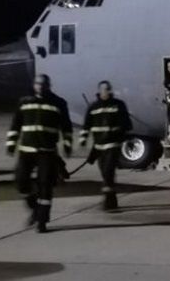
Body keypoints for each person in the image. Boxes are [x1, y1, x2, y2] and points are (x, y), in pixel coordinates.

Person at [7, 74, 72, 232]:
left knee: (45, 185)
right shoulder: (24, 102)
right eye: (37, 84)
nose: (40, 87)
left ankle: (42, 220)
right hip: (26, 150)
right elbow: (16, 124)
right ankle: (34, 208)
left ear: (49, 85)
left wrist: (67, 144)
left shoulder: (59, 103)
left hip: (47, 151)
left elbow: (66, 127)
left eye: (43, 84)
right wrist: (11, 143)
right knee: (21, 181)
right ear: (34, 85)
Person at [83, 80, 132, 211]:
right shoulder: (93, 107)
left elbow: (127, 124)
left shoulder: (118, 105)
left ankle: (108, 200)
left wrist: (120, 136)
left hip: (113, 145)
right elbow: (87, 125)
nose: (107, 91)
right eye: (104, 89)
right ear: (99, 91)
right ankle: (112, 198)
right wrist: (83, 139)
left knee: (108, 171)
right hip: (99, 147)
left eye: (108, 89)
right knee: (105, 173)